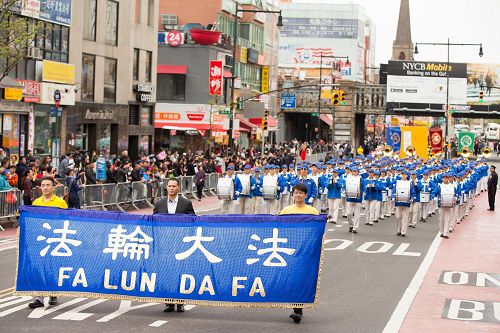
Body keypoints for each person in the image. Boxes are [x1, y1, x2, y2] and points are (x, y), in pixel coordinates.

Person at [153, 178, 195, 313]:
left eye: (174, 186)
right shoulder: (159, 204)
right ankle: (168, 303)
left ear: (178, 188)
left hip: (180, 244)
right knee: (166, 272)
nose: (171, 188)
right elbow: (153, 222)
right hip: (164, 244)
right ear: (166, 188)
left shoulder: (186, 203)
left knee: (180, 272)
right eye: (169, 186)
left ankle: (180, 302)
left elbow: (193, 220)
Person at [280, 183, 319, 324]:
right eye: (296, 192)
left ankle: (297, 308)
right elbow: (280, 228)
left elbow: (317, 232)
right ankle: (297, 305)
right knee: (291, 278)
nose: (298, 195)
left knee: (302, 278)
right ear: (293, 194)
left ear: (305, 195)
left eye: (301, 193)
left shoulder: (313, 211)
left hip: (306, 251)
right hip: (289, 249)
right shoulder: (286, 210)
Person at [28, 176, 68, 308]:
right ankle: (38, 298)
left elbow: (66, 221)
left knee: (52, 268)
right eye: (43, 185)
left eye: (48, 185)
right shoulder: (36, 202)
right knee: (39, 268)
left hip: (56, 241)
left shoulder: (60, 203)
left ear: (53, 187)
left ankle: (53, 293)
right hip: (41, 241)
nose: (45, 187)